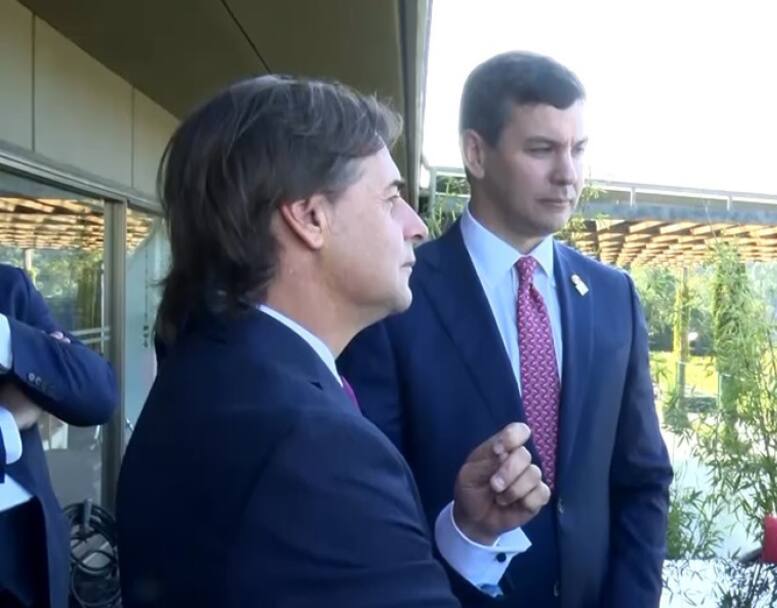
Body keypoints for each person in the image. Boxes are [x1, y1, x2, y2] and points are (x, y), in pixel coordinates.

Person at [117, 75, 550, 607]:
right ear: (309, 217)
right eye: (390, 199)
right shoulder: (318, 446)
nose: (415, 225)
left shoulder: (204, 372)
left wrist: (469, 536)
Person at [339, 51, 673, 606]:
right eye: (542, 149)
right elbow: (374, 500)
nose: (568, 173)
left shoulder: (614, 297)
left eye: (579, 149)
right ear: (476, 152)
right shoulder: (397, 298)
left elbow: (642, 480)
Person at [0, 262, 118, 608]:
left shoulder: (8, 287)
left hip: (31, 551)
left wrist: (7, 339)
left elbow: (98, 394)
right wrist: (7, 421)